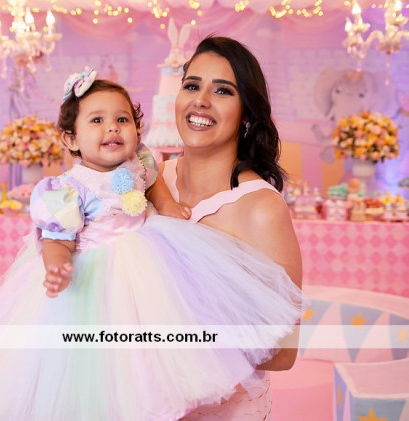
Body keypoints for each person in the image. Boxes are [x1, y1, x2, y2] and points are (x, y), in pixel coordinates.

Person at [0, 67, 303, 421]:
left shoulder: (142, 163)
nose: (112, 128)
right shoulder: (66, 188)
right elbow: (56, 236)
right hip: (96, 277)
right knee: (101, 362)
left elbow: (153, 185)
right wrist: (57, 263)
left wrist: (166, 206)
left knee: (158, 338)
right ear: (71, 139)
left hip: (149, 257)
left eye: (122, 119)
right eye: (97, 120)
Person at [150, 36, 304, 419]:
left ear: (246, 113)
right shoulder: (148, 182)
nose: (201, 100)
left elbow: (283, 351)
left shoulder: (260, 208)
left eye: (222, 91)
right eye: (192, 85)